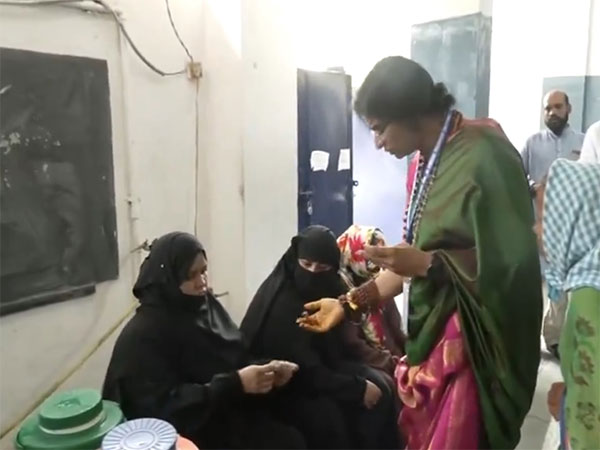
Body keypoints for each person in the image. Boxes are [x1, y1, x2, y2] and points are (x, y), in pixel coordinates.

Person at [298, 56, 543, 449]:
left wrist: (431, 264)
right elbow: (410, 265)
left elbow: (516, 265)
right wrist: (348, 304)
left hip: (473, 347)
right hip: (428, 338)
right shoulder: (420, 164)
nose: (377, 143)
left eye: (379, 129)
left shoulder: (485, 156)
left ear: (409, 112)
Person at [102, 232, 306, 449]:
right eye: (191, 275)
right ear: (170, 279)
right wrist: (234, 383)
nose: (202, 283)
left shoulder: (202, 305)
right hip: (181, 433)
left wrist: (266, 369)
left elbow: (231, 357)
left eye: (204, 271)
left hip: (220, 411)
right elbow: (161, 408)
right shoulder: (145, 336)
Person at [241, 225, 397, 449]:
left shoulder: (334, 289)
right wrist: (356, 388)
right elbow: (303, 370)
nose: (313, 273)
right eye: (306, 265)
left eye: (322, 267)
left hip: (321, 370)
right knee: (328, 417)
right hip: (283, 387)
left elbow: (335, 351)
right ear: (296, 260)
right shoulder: (285, 303)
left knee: (381, 384)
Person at [534, 159, 600, 450]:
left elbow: (591, 422)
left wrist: (576, 398)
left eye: (542, 218)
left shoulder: (589, 294)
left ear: (571, 218)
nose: (535, 229)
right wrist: (572, 389)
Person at [521, 90, 585, 360]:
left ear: (568, 109)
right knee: (533, 285)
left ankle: (555, 338)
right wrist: (533, 186)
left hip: (571, 228)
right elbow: (516, 174)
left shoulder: (583, 142)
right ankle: (525, 337)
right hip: (538, 226)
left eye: (557, 107)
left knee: (561, 285)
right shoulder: (533, 143)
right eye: (547, 108)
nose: (552, 113)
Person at [337, 225, 405, 374]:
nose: (377, 263)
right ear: (353, 252)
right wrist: (392, 364)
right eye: (371, 257)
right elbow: (353, 344)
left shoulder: (378, 282)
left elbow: (396, 329)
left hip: (395, 362)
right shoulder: (340, 288)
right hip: (374, 366)